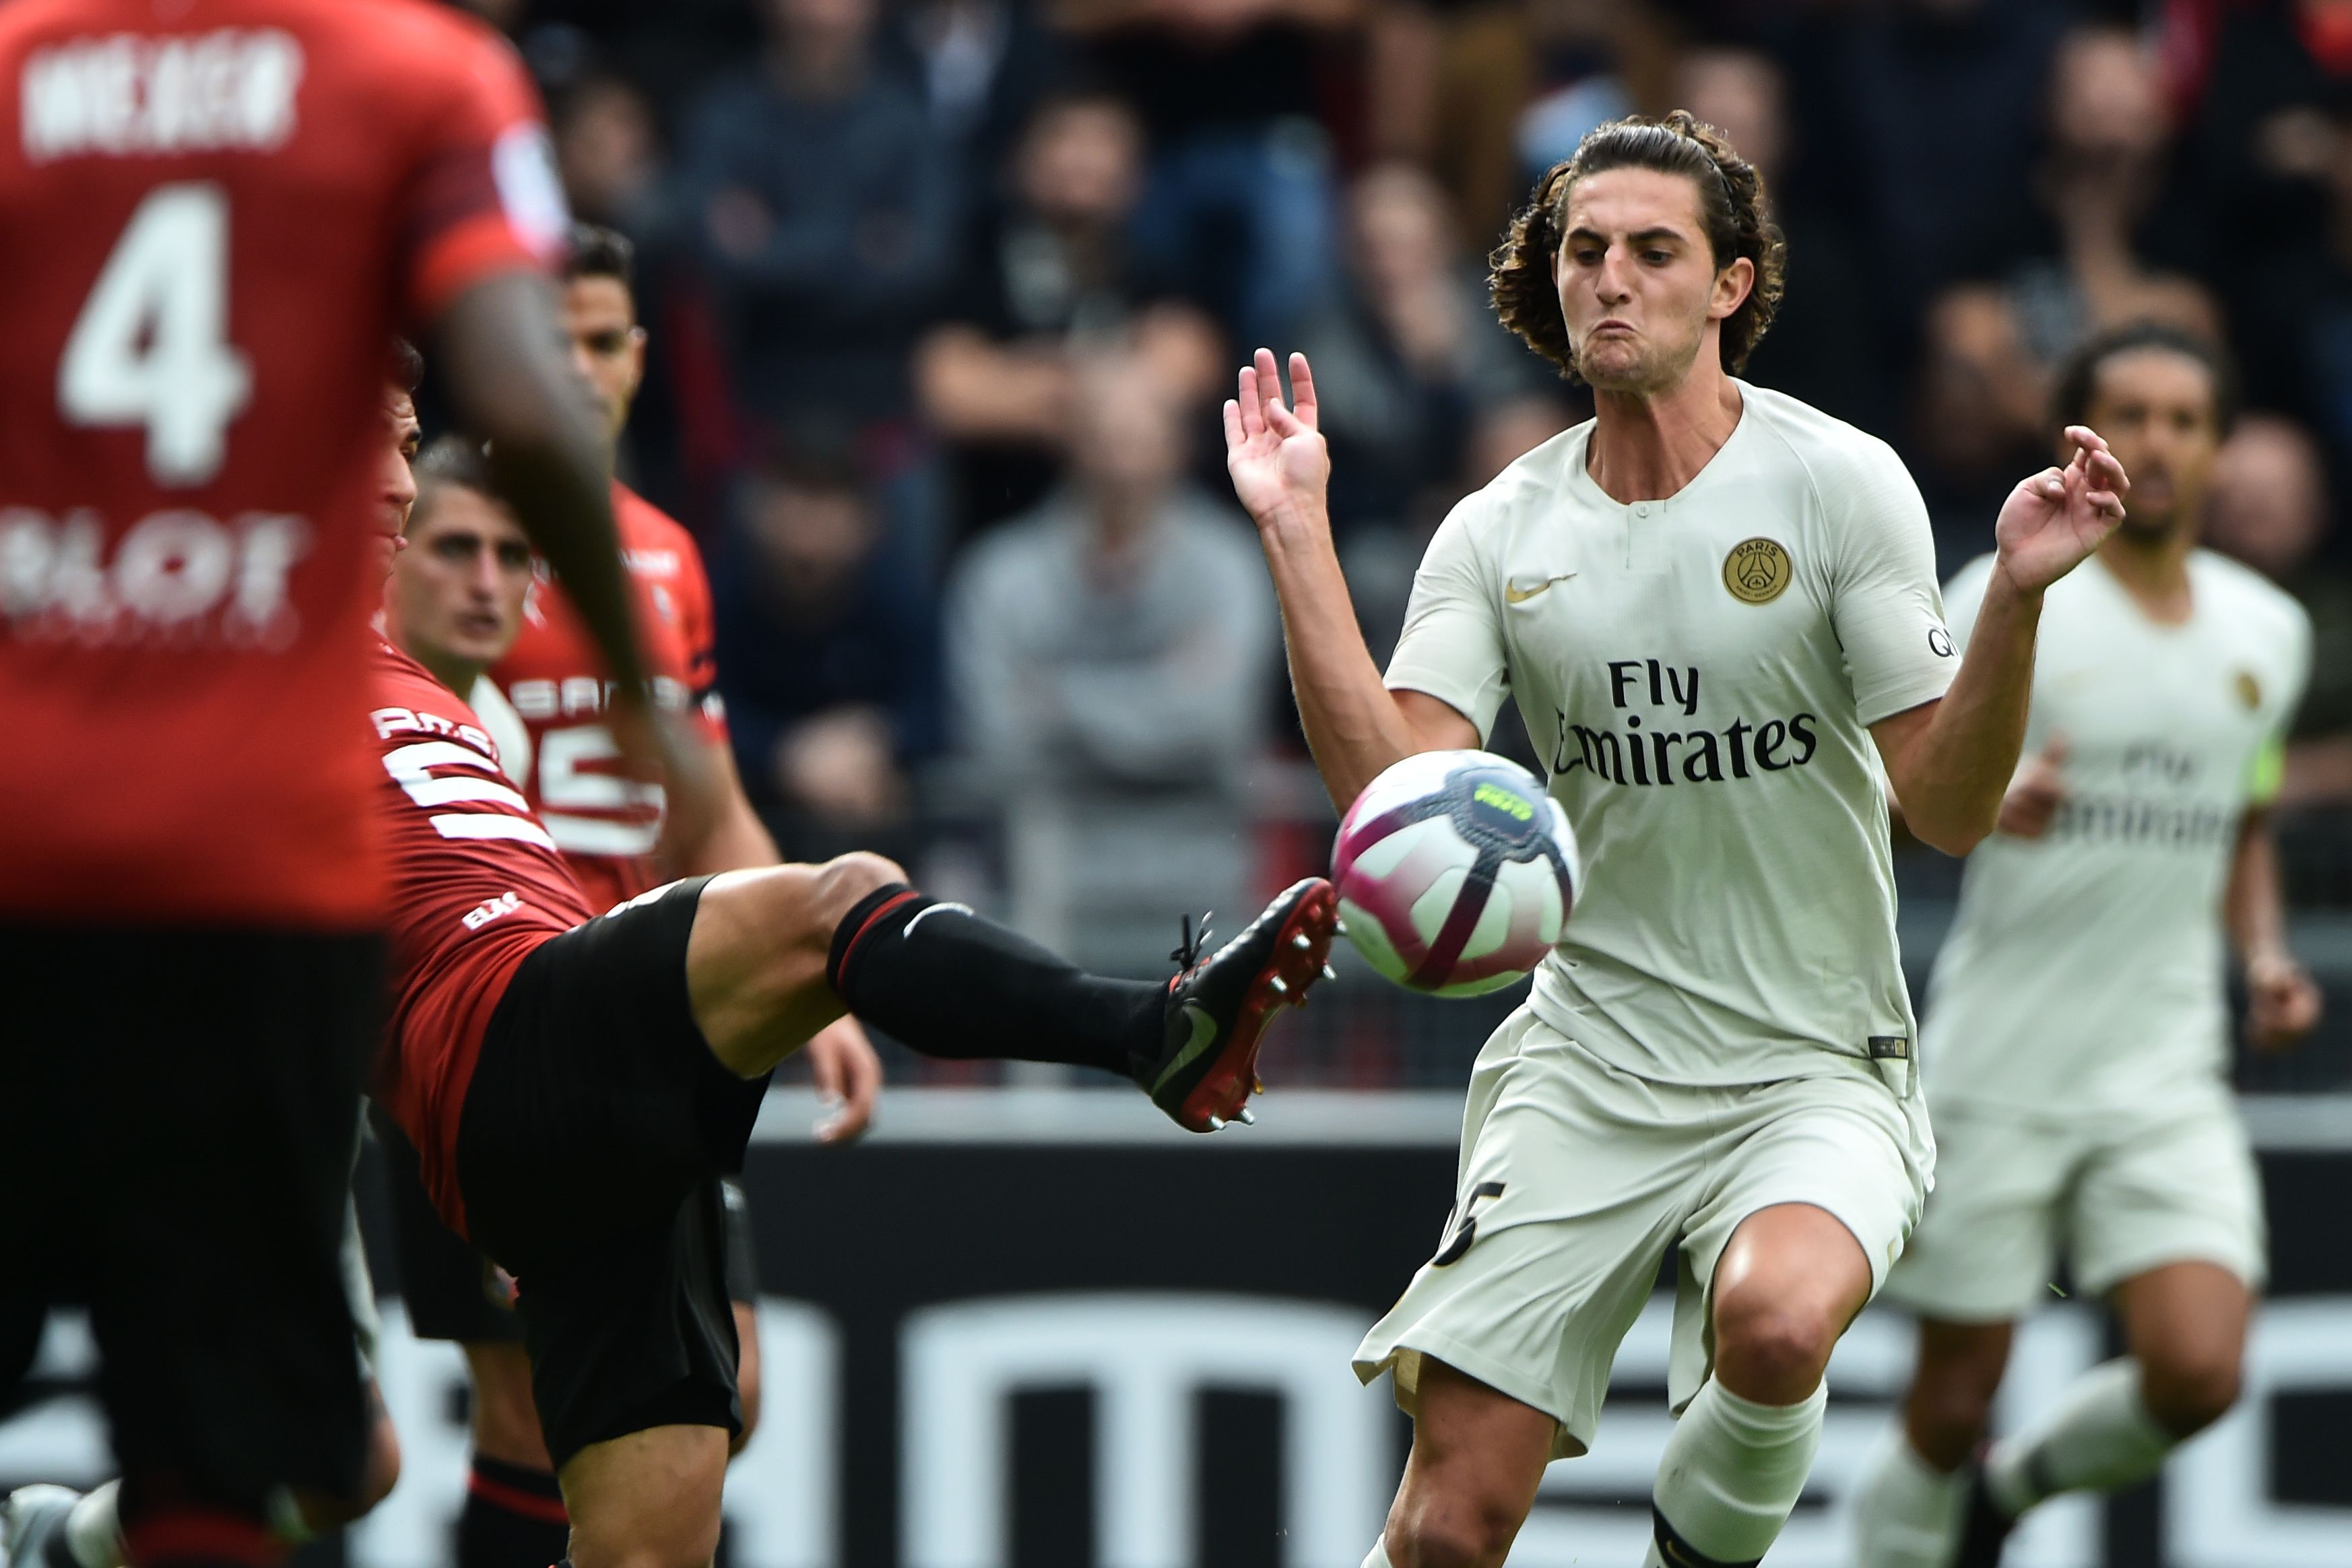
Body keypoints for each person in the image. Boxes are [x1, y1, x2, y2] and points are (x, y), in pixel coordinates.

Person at [1222, 110, 2132, 1568]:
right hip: (1589, 1056)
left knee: (1773, 1324)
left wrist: (2013, 601)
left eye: (1654, 250)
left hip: (1815, 1058)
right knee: (1449, 1528)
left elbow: (1947, 810)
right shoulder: (1500, 529)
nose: (1611, 277)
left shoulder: (1837, 483)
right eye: (1585, 250)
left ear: (1728, 285)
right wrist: (1295, 532)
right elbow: (1392, 797)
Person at [364, 484, 1337, 1565]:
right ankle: (1154, 1031)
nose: (401, 489)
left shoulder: (465, 667)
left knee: (649, 1548)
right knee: (843, 897)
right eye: (384, 450)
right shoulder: (268, 664)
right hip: (502, 1029)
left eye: (409, 449)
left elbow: (703, 801)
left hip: (582, 1083)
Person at [0, 6, 658, 1567]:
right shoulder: (415, 78)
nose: (410, 482)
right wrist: (645, 692)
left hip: (51, 829)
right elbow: (528, 392)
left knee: (341, 1455)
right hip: (250, 870)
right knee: (233, 1458)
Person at [1850, 323, 2320, 1568]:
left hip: (2165, 1065)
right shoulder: (2007, 590)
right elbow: (1886, 790)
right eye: (2131, 415)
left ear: (2219, 449)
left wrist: (2264, 958)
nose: (2156, 443)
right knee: (1948, 1403)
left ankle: (2008, 1498)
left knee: (2200, 1368)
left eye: (2184, 419)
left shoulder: (2267, 632)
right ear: (2077, 436)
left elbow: (2242, 816)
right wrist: (1980, 797)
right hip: (2001, 1057)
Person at [947, 354, 1278, 976]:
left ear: (1178, 446)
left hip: (1202, 890)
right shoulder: (999, 577)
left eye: (1140, 438)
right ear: (1068, 442)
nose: (1122, 462)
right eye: (1104, 437)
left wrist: (1057, 699)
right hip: (1044, 893)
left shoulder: (1230, 565)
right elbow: (998, 745)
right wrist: (1167, 695)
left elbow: (1219, 725)